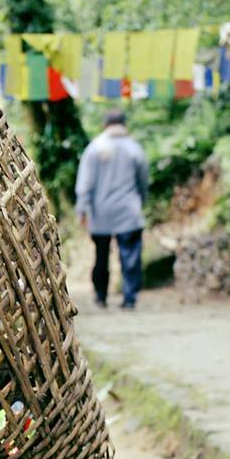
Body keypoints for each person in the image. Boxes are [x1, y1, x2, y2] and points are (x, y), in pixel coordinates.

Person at [75, 109, 149, 309]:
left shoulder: (94, 149)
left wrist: (82, 210)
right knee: (130, 256)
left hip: (101, 213)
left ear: (105, 125)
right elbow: (143, 182)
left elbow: (85, 184)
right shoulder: (134, 148)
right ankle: (129, 297)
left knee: (101, 255)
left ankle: (101, 296)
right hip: (128, 211)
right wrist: (143, 201)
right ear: (124, 125)